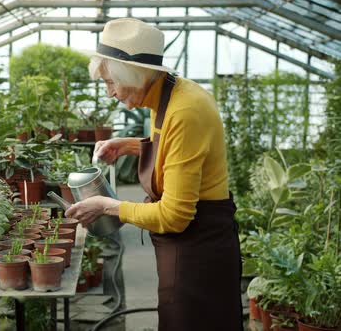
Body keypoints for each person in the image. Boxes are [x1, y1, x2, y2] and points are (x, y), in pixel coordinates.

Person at [65, 18, 243, 330]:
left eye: (111, 82)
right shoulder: (166, 94)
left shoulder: (184, 110)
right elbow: (176, 151)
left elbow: (175, 215)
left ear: (133, 75)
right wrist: (130, 145)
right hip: (191, 247)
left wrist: (109, 207)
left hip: (199, 249)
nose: (110, 93)